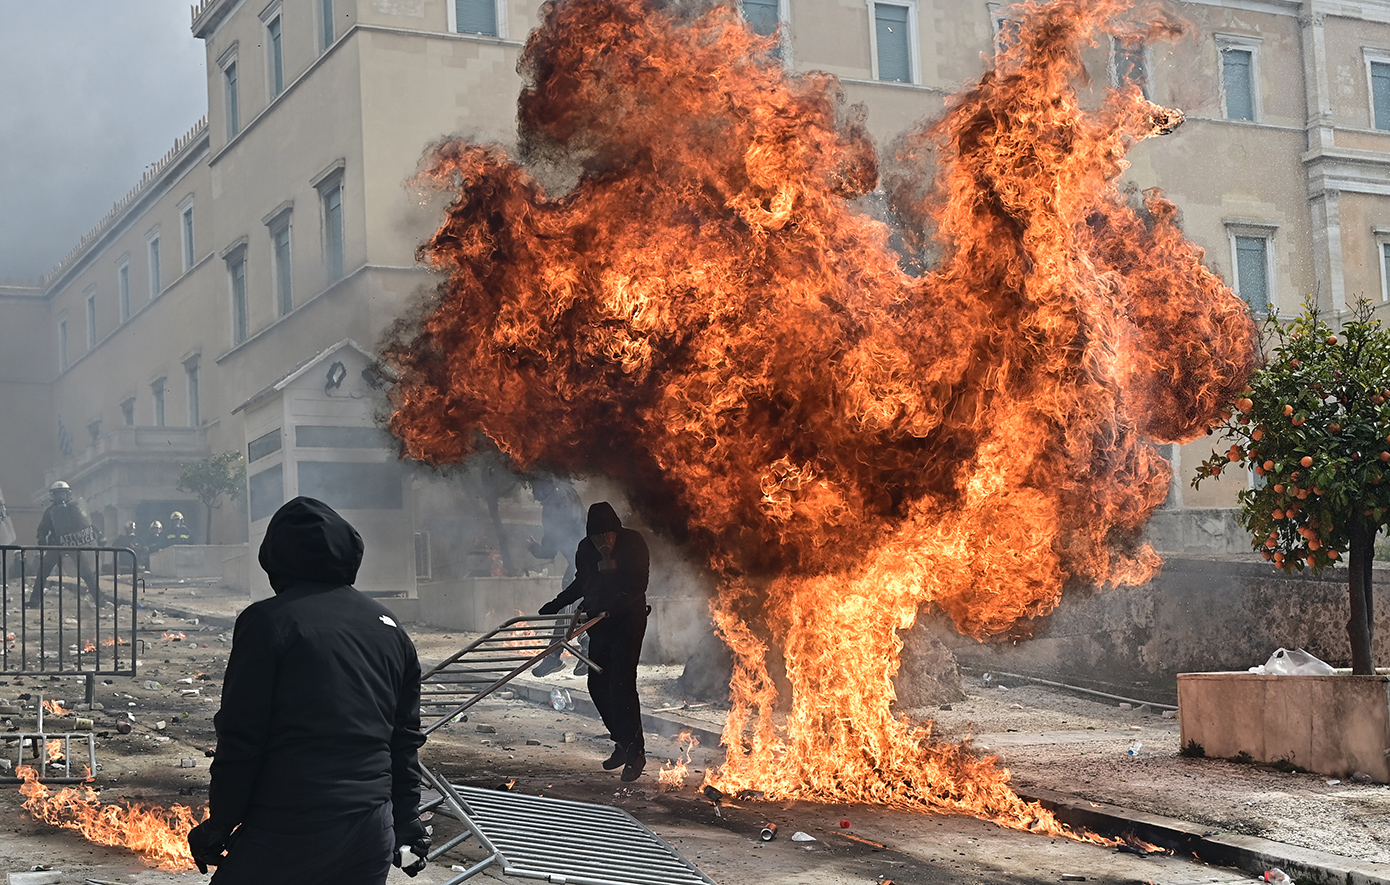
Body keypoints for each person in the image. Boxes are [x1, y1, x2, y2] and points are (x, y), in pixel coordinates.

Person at [186, 496, 430, 882]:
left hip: (290, 822)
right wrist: (408, 822)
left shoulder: (268, 622)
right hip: (371, 828)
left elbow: (242, 736)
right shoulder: (389, 627)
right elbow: (403, 738)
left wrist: (221, 823)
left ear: (275, 559)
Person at [538, 502, 650, 781]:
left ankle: (636, 751)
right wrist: (557, 602)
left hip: (629, 621)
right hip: (600, 623)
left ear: (617, 531)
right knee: (597, 683)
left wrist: (614, 605)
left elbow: (639, 583)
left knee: (622, 684)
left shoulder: (633, 543)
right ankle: (622, 742)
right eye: (598, 537)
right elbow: (581, 582)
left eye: (608, 536)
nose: (603, 542)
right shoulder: (585, 549)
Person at [526, 479, 588, 678]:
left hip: (580, 566)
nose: (533, 495)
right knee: (571, 612)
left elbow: (550, 551)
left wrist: (534, 548)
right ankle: (571, 655)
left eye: (533, 487)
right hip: (586, 562)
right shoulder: (568, 491)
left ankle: (572, 653)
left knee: (567, 611)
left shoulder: (552, 506)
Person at [28, 481, 103, 608]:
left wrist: (95, 533)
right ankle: (34, 601)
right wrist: (41, 539)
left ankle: (99, 599)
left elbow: (85, 523)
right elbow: (42, 528)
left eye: (63, 494)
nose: (61, 497)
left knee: (87, 573)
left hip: (74, 544)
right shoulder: (49, 512)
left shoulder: (75, 508)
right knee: (43, 572)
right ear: (53, 496)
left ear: (68, 494)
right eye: (58, 494)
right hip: (56, 545)